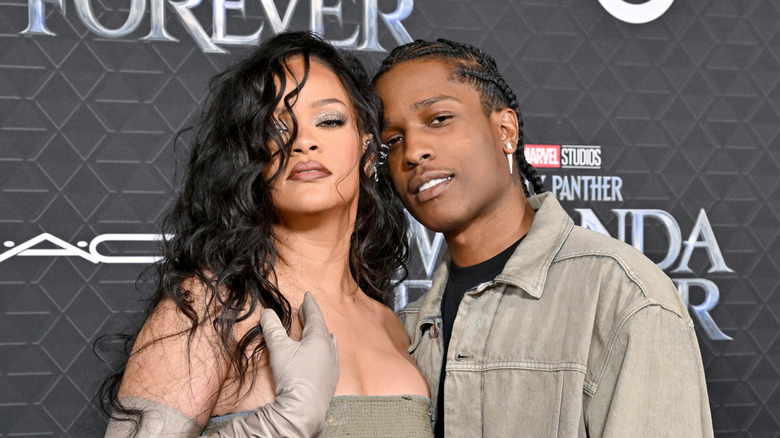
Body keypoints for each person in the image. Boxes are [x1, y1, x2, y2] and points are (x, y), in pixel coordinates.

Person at [372, 39, 714, 437]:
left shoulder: (622, 295)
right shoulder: (405, 328)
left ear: (505, 130)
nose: (413, 151)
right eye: (393, 140)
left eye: (439, 118)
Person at [101, 31, 432, 437]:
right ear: (252, 158)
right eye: (276, 127)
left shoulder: (392, 326)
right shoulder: (211, 305)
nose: (303, 142)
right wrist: (279, 425)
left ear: (366, 152)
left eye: (328, 120)